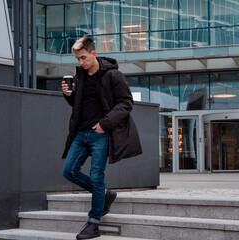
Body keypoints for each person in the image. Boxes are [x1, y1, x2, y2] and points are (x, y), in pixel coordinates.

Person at [61, 36, 142, 239]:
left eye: (84, 57)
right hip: (81, 133)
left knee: (97, 176)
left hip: (100, 134)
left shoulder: (113, 75)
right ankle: (105, 195)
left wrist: (105, 124)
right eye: (78, 59)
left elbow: (126, 103)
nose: (81, 62)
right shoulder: (80, 76)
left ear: (94, 53)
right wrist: (69, 96)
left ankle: (94, 222)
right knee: (69, 171)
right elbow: (79, 106)